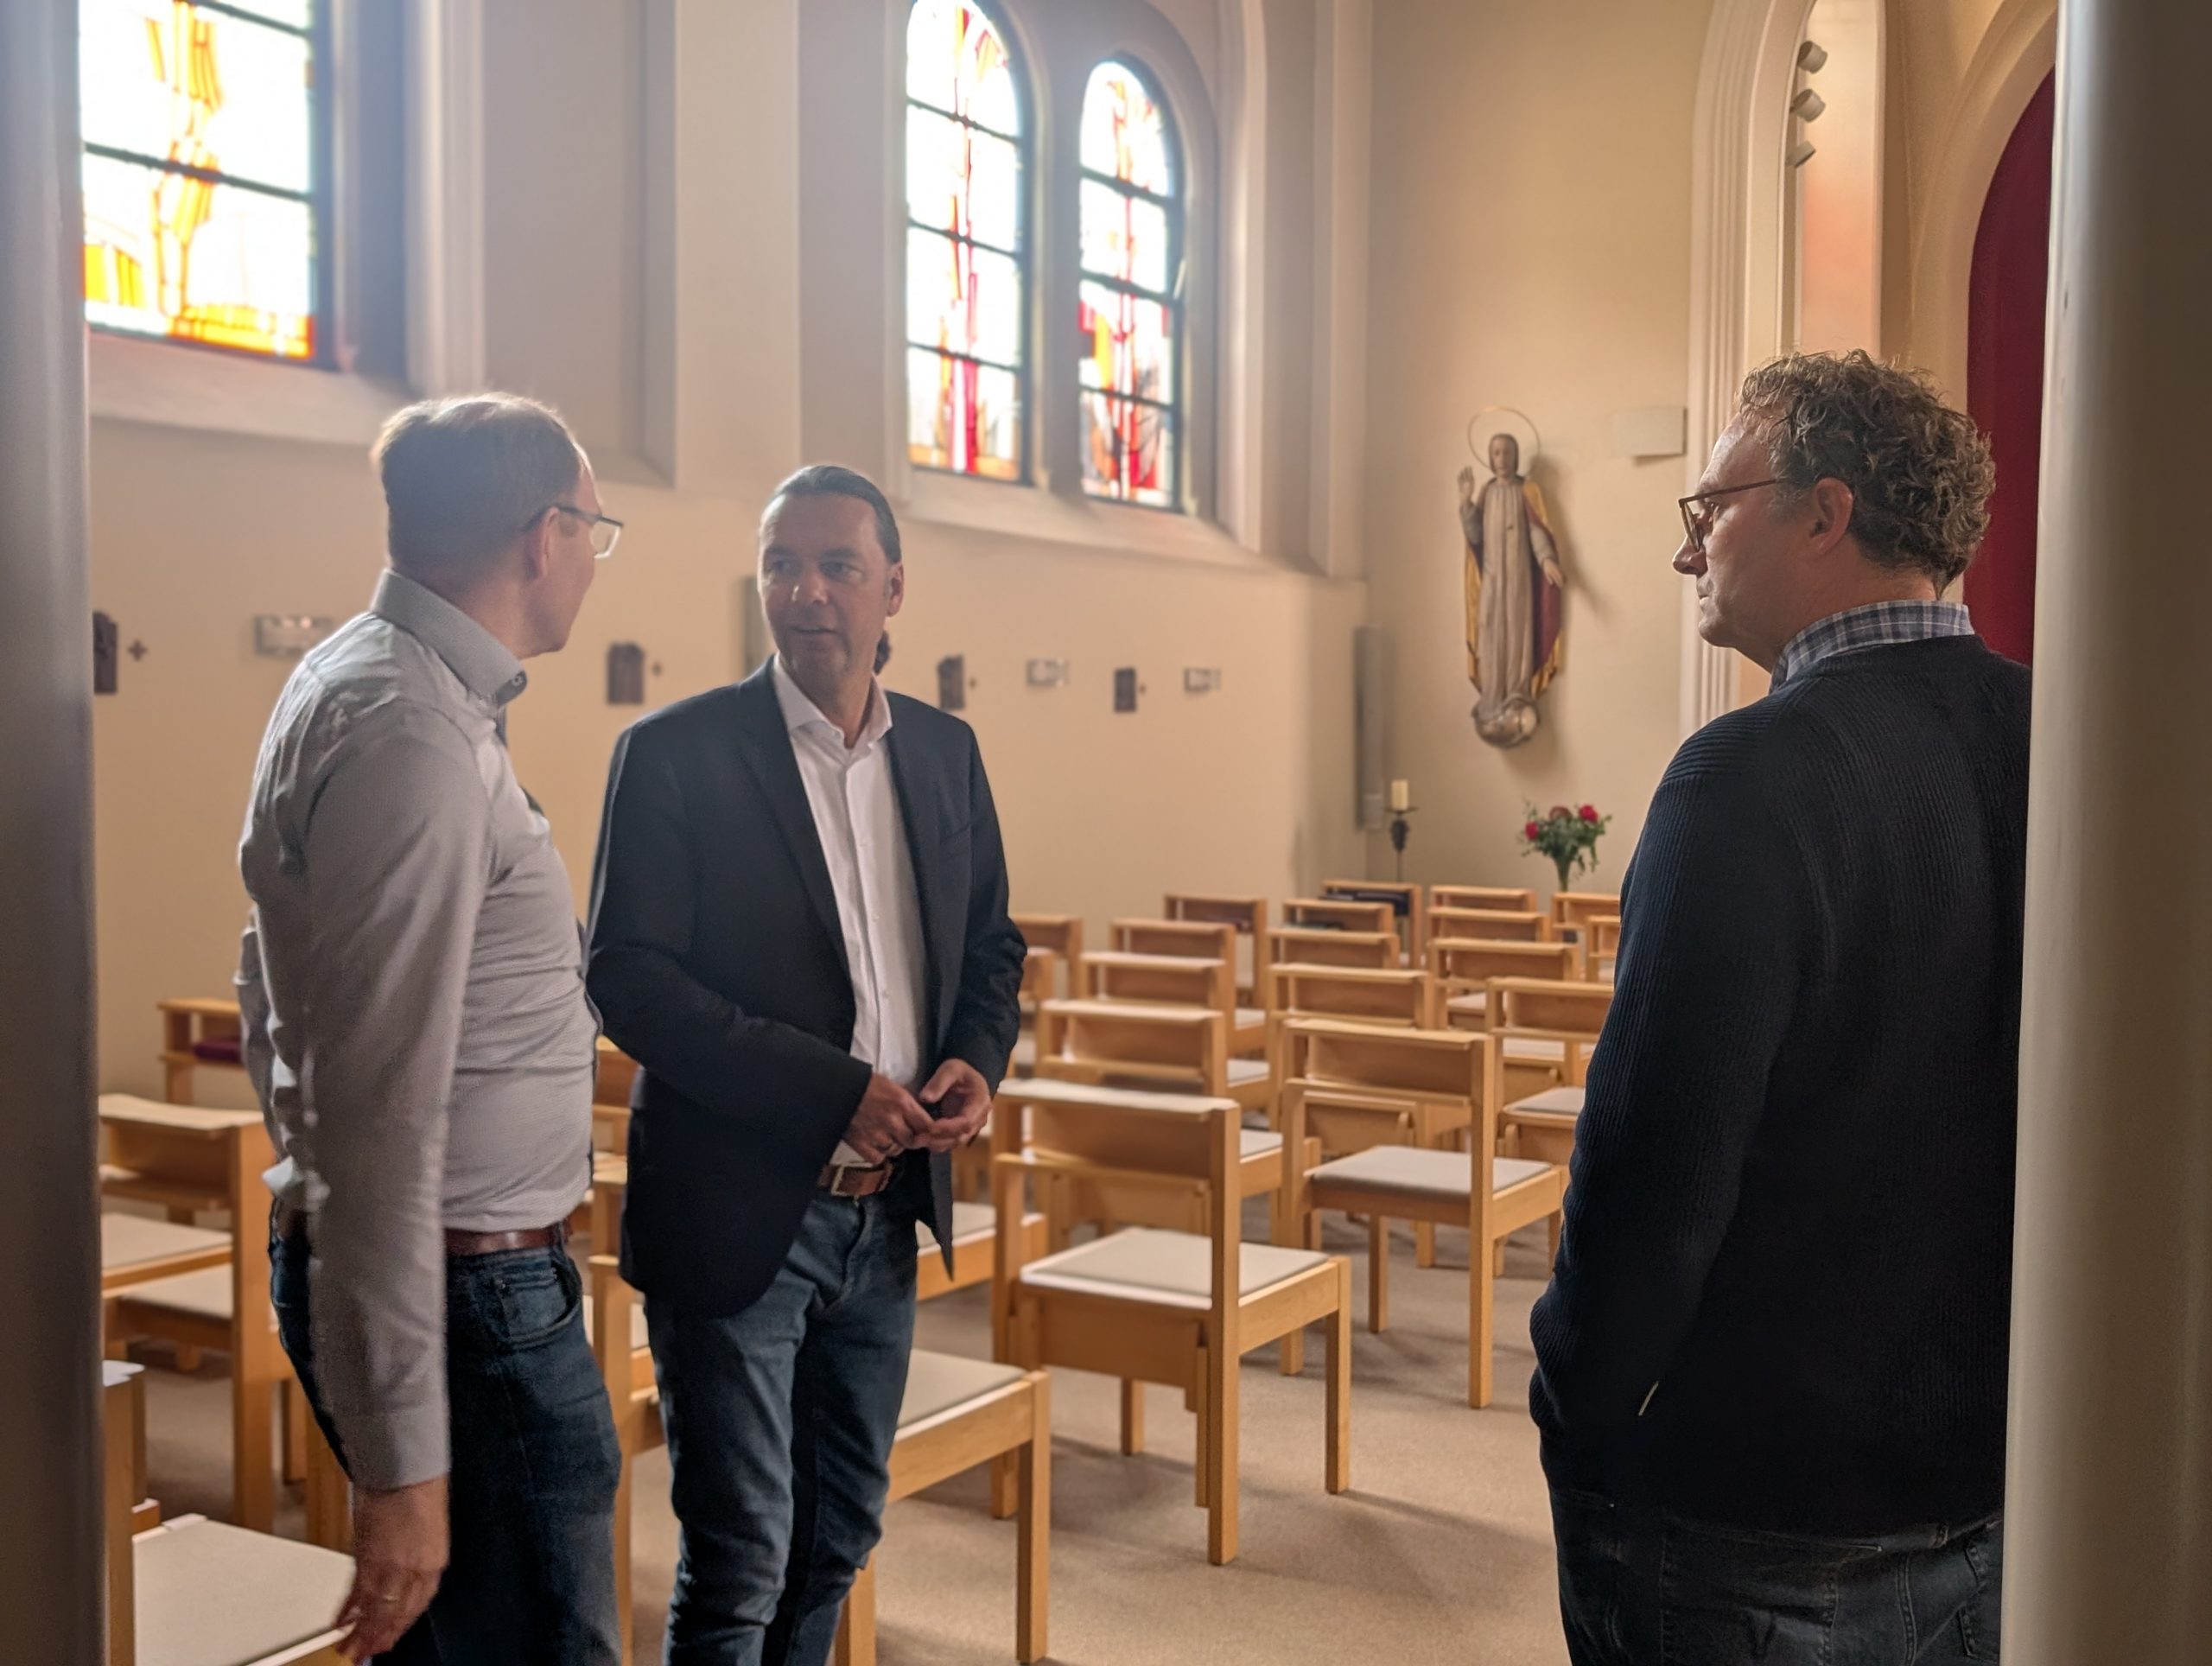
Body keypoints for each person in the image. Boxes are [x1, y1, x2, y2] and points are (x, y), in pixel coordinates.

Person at [1530, 350, 2025, 1665]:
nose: (1691, 554)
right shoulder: (2059, 735)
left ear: (1826, 510)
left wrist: (1573, 1402)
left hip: (1754, 1504)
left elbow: (1653, 1171)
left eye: (1712, 509)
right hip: (1991, 1475)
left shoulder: (1747, 776)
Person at [587, 464, 1026, 1665]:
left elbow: (990, 947)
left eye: (837, 565)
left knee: (838, 1535)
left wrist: (974, 1066)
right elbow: (627, 978)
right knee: (741, 1556)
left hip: (882, 1223)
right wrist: (833, 1090)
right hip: (740, 1215)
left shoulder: (943, 753)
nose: (806, 589)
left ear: (894, 588)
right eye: (783, 563)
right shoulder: (675, 752)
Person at [238, 394, 624, 1663]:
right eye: (591, 526)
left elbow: (268, 987)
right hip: (471, 1302)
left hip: (459, 1285)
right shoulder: (412, 731)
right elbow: (380, 1121)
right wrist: (405, 1471)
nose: (590, 556)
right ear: (538, 535)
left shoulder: (370, 680)